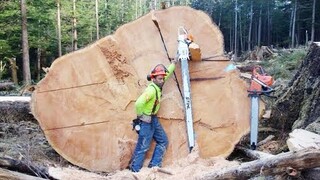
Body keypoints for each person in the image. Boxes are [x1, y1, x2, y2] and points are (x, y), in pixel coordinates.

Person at [129, 59, 177, 172]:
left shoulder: (158, 85)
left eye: (162, 78)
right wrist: (142, 116)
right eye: (159, 79)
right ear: (153, 78)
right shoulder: (151, 90)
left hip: (153, 119)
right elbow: (138, 103)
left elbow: (167, 74)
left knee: (163, 141)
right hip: (146, 121)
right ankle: (134, 170)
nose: (162, 81)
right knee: (143, 147)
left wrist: (174, 64)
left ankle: (154, 166)